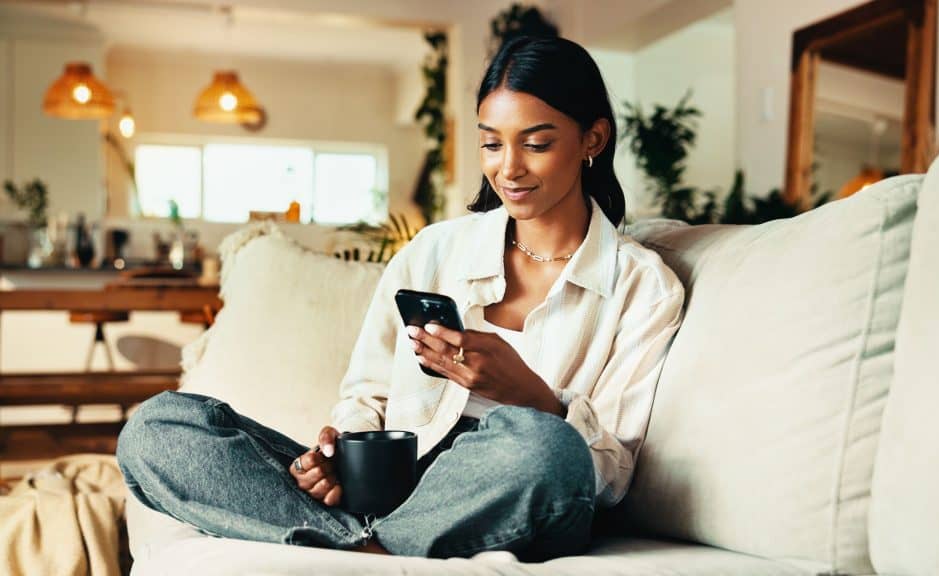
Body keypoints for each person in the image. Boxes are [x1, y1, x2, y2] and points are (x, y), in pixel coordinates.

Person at [117, 35, 685, 562]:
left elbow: (611, 474)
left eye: (536, 144)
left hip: (519, 485)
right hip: (395, 490)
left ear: (593, 139)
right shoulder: (435, 250)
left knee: (544, 446)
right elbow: (366, 395)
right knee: (159, 426)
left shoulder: (641, 286)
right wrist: (343, 459)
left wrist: (533, 397)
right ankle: (371, 551)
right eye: (491, 144)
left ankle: (360, 548)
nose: (508, 169)